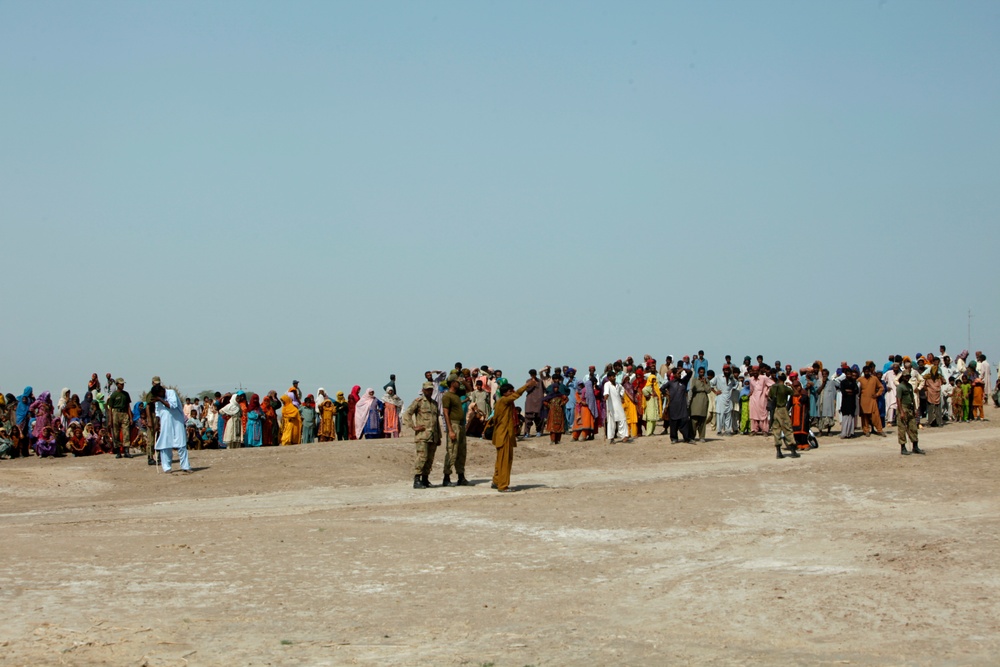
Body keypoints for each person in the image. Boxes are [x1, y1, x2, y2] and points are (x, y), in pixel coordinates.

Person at [492, 379, 536, 492]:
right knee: (505, 461)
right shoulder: (504, 401)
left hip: (502, 434)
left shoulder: (503, 402)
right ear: (506, 392)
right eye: (511, 391)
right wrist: (526, 385)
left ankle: (497, 480)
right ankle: (503, 485)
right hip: (504, 435)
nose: (513, 392)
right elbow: (516, 395)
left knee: (500, 460)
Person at [405, 382, 442, 489]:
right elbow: (407, 413)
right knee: (422, 458)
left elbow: (436, 421)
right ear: (423, 390)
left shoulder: (434, 404)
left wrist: (438, 436)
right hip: (423, 436)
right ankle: (417, 480)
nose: (429, 391)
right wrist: (413, 426)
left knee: (430, 459)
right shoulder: (419, 402)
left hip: (433, 436)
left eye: (431, 389)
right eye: (427, 389)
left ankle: (425, 479)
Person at [152, 386, 192, 473]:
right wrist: (156, 423)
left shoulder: (171, 393)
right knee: (165, 445)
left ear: (162, 391)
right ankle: (167, 467)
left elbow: (172, 405)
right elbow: (158, 412)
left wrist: (160, 399)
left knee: (181, 444)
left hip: (177, 422)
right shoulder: (158, 399)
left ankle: (185, 466)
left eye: (159, 395)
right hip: (165, 423)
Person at [440, 379, 470, 486]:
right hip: (454, 425)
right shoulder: (447, 396)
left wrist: (464, 382)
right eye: (457, 381)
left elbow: (470, 390)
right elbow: (445, 413)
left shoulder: (457, 395)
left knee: (461, 452)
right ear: (452, 383)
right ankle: (446, 477)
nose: (459, 383)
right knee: (452, 451)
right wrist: (450, 430)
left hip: (461, 425)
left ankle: (461, 476)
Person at [769, 374, 799, 459]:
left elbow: (769, 397)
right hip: (782, 409)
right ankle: (793, 450)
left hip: (775, 410)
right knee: (787, 429)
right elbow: (796, 393)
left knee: (776, 430)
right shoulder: (785, 388)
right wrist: (791, 386)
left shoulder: (773, 387)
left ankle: (778, 452)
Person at [896, 373, 924, 455]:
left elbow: (912, 398)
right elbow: (898, 400)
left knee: (913, 427)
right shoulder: (900, 387)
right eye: (905, 376)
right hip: (903, 407)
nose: (907, 378)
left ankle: (915, 446)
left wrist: (915, 409)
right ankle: (903, 448)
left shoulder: (910, 386)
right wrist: (901, 411)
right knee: (902, 429)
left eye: (908, 376)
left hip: (910, 408)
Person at [858, 365, 886, 437]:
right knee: (864, 417)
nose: (867, 373)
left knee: (875, 416)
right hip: (863, 401)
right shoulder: (860, 379)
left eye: (868, 371)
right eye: (865, 371)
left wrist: (877, 394)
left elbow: (881, 388)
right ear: (863, 372)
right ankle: (866, 431)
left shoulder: (874, 379)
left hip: (872, 400)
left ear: (870, 371)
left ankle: (879, 430)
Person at [664, 370, 692, 443]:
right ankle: (674, 438)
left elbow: (690, 373)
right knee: (673, 423)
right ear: (674, 374)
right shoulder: (670, 383)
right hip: (673, 406)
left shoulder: (684, 382)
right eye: (678, 373)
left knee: (685, 421)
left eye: (680, 373)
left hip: (682, 406)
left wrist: (683, 368)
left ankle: (687, 438)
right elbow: (661, 388)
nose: (679, 375)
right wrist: (666, 393)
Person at [107, 378, 132, 458]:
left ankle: (126, 451)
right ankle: (118, 452)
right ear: (117, 384)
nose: (122, 385)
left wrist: (130, 417)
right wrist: (110, 420)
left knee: (126, 433)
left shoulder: (126, 394)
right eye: (120, 384)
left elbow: (128, 406)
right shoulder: (114, 395)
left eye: (123, 384)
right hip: (116, 413)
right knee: (116, 433)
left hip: (124, 413)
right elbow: (110, 408)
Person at [603, 374, 630, 444]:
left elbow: (622, 389)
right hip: (611, 406)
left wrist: (621, 396)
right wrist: (606, 395)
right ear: (609, 378)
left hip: (619, 405)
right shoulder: (607, 384)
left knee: (622, 419)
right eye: (612, 376)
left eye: (614, 376)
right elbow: (606, 392)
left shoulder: (618, 385)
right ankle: (611, 438)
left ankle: (624, 436)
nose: (614, 378)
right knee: (611, 422)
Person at [689, 367, 712, 442]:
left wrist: (704, 383)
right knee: (694, 419)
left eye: (703, 372)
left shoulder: (707, 381)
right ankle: (692, 436)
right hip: (695, 399)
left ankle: (702, 436)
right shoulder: (694, 380)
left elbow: (708, 390)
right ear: (698, 372)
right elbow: (692, 389)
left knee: (702, 419)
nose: (701, 374)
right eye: (700, 372)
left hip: (703, 398)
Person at [748, 368, 773, 435]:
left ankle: (765, 430)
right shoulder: (751, 379)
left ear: (759, 371)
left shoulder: (764, 378)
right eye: (753, 371)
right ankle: (754, 430)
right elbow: (751, 389)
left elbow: (772, 385)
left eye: (756, 371)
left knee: (763, 415)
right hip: (753, 398)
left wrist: (767, 393)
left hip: (762, 398)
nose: (755, 373)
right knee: (753, 414)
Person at [522, 369, 544, 437]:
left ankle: (539, 431)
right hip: (530, 401)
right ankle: (527, 432)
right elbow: (527, 390)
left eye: (534, 374)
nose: (533, 375)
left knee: (539, 417)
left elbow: (544, 389)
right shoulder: (528, 381)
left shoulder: (540, 381)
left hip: (539, 401)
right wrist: (532, 384)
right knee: (528, 417)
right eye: (532, 374)